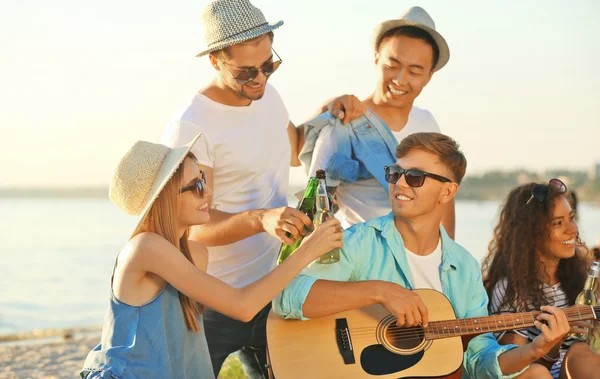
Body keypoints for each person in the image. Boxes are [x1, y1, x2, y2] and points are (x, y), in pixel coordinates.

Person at [275, 132, 574, 379]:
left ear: (447, 192)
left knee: (535, 374)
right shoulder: (359, 243)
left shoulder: (464, 267)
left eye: (415, 176)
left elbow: (479, 360)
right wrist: (379, 291)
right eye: (395, 173)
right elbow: (287, 296)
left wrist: (535, 349)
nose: (400, 183)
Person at [80, 135, 343, 379]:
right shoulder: (146, 248)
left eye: (203, 179)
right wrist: (307, 250)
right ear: (165, 198)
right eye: (195, 186)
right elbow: (242, 306)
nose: (207, 192)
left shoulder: (195, 253)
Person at [160, 1, 312, 376]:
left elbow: (294, 151)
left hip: (274, 287)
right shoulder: (191, 125)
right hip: (211, 298)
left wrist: (332, 112)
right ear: (215, 60)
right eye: (246, 72)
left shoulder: (268, 96)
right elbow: (189, 225)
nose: (260, 79)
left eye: (268, 66)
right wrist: (261, 219)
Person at [296, 6, 455, 236]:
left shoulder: (427, 123)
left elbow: (444, 200)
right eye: (392, 66)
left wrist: (446, 261)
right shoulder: (345, 123)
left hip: (416, 263)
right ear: (376, 59)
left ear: (429, 75)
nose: (400, 79)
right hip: (362, 263)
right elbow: (313, 205)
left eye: (414, 71)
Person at [483, 180, 600, 378]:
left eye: (571, 218)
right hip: (533, 374)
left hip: (568, 371)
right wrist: (555, 339)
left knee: (580, 353)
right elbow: (512, 369)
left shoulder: (579, 277)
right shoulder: (512, 289)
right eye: (558, 223)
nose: (572, 229)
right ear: (532, 233)